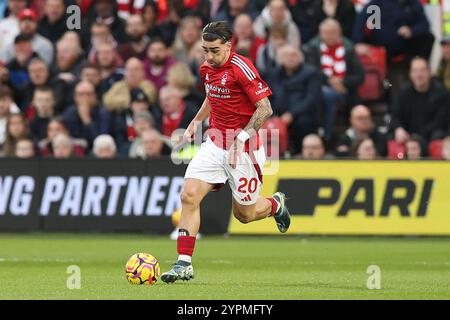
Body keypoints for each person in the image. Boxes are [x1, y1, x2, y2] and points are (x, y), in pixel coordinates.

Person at [160, 21, 291, 284]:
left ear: (228, 46)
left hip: (244, 148)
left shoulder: (242, 68)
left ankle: (275, 204)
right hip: (215, 143)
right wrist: (196, 121)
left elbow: (265, 109)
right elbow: (214, 95)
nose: (208, 56)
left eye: (214, 50)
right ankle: (183, 264)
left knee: (245, 215)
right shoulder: (207, 67)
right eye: (204, 50)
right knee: (188, 195)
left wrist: (239, 139)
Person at [390, 57, 449, 144]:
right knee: (391, 137)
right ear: (410, 74)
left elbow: (441, 122)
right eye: (415, 71)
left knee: (438, 135)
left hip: (431, 136)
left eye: (422, 70)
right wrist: (399, 128)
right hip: (408, 135)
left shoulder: (441, 93)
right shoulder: (403, 93)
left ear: (429, 72)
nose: (419, 75)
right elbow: (395, 116)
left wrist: (417, 136)